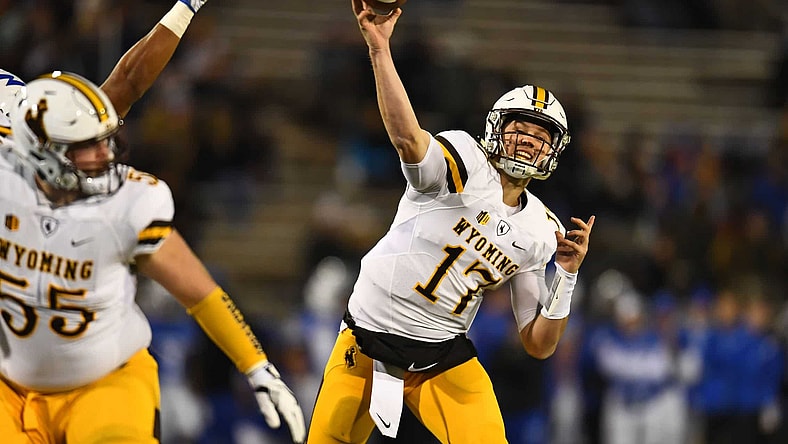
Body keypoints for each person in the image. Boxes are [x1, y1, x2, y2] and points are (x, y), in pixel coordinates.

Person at [0, 4, 307, 444]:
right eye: (88, 147)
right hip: (8, 383)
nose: (107, 156)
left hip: (102, 381)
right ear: (41, 153)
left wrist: (255, 363)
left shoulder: (127, 199)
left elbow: (199, 291)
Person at [306, 1, 596, 443]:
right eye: (521, 127)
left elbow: (539, 344)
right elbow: (407, 140)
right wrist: (379, 50)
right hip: (366, 343)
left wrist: (568, 277)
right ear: (497, 127)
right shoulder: (465, 160)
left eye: (541, 136)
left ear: (553, 152)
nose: (528, 141)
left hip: (442, 360)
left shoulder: (540, 229)